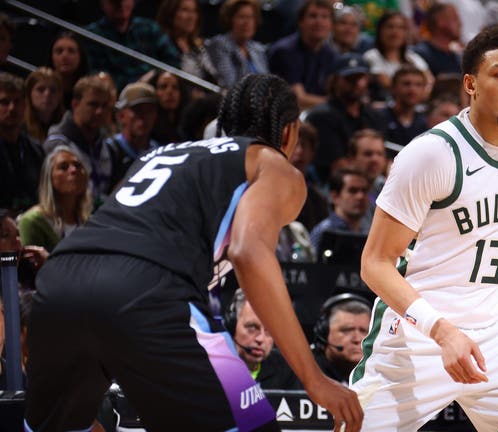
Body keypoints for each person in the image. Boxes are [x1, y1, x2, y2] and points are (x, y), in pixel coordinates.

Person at [24, 73, 363, 432]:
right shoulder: (272, 164)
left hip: (61, 279)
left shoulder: (161, 154)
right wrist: (313, 377)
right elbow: (248, 252)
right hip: (146, 288)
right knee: (252, 424)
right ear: (289, 132)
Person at [349, 25, 498, 431]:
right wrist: (443, 333)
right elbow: (375, 263)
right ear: (470, 84)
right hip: (417, 340)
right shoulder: (431, 155)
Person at [304, 53, 384, 183]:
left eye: (360, 78)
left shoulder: (374, 115)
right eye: (349, 78)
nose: (356, 83)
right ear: (335, 80)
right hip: (330, 185)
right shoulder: (321, 116)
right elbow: (337, 167)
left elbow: (384, 159)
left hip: (372, 183)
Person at [44, 75, 114, 207]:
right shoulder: (57, 144)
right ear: (75, 104)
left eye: (105, 106)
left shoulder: (107, 146)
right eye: (93, 104)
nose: (99, 111)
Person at [85, 0, 180, 91]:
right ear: (103, 3)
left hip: (155, 91)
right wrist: (135, 86)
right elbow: (97, 74)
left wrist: (153, 76)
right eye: (115, 1)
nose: (121, 4)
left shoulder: (149, 28)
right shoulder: (92, 35)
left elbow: (173, 60)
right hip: (117, 95)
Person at [18, 145, 92, 252]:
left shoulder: (90, 222)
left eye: (77, 165)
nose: (73, 170)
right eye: (63, 167)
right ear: (49, 177)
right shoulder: (32, 221)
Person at [224, 288, 301, 389]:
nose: (260, 339)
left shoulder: (285, 368)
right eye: (252, 328)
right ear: (232, 326)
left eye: (269, 331)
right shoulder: (212, 366)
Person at [267, 0, 336, 111]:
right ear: (300, 22)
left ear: (332, 25)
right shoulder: (285, 51)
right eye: (313, 16)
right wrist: (337, 104)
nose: (319, 22)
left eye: (325, 17)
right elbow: (298, 99)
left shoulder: (330, 53)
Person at [0, 72, 44, 215]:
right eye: (4, 102)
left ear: (25, 106)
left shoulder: (35, 150)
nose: (12, 108)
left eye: (17, 102)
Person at [206, 0, 269, 90]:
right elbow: (229, 83)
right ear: (230, 19)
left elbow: (267, 82)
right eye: (241, 17)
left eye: (251, 17)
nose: (247, 22)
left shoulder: (257, 48)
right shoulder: (220, 45)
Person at [106, 82, 160, 186]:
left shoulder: (158, 151)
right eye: (138, 110)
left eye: (149, 111)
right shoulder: (109, 151)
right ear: (121, 116)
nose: (144, 117)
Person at [311, 293, 371, 385]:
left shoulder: (380, 374)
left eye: (364, 331)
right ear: (324, 332)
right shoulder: (300, 370)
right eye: (347, 330)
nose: (357, 339)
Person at [155, 0, 219, 85]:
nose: (191, 17)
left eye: (194, 11)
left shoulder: (199, 46)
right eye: (185, 10)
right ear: (170, 13)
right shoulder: (161, 43)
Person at [309, 168, 371, 252]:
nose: (360, 196)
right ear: (335, 197)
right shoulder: (324, 231)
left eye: (364, 191)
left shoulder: (369, 230)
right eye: (353, 191)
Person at [376, 65, 429, 148]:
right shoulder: (378, 117)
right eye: (406, 84)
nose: (412, 89)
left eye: (418, 85)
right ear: (394, 87)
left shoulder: (425, 122)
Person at [47, 32, 89, 109]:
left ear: (81, 56)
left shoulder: (89, 90)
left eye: (71, 51)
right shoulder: (43, 89)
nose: (65, 56)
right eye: (59, 51)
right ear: (51, 56)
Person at [23, 67, 65, 144]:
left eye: (53, 90)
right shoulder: (18, 127)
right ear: (29, 94)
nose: (47, 94)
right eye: (41, 89)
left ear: (60, 95)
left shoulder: (67, 127)